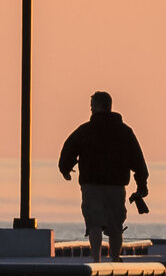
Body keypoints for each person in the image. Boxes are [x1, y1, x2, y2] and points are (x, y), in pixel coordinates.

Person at [57, 91, 149, 261]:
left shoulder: (85, 130)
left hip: (91, 184)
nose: (90, 109)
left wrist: (65, 169)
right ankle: (115, 258)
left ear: (98, 107)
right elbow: (138, 160)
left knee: (94, 223)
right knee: (116, 225)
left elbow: (68, 150)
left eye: (92, 106)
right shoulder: (125, 131)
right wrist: (142, 184)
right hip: (116, 185)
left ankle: (96, 259)